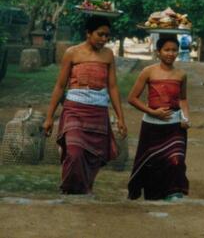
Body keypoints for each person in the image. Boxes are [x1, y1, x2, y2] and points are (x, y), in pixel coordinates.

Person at [43, 15, 128, 195]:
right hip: (74, 109)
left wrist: (121, 118)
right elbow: (60, 85)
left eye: (107, 36)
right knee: (74, 152)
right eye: (100, 34)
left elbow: (112, 86)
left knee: (94, 155)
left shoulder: (108, 55)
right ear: (88, 33)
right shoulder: (72, 53)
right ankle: (69, 188)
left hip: (98, 112)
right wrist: (49, 117)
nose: (104, 39)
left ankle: (83, 189)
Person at [127, 35, 190, 201]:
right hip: (152, 126)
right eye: (166, 50)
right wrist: (152, 112)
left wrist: (186, 117)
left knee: (176, 159)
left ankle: (174, 192)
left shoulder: (181, 75)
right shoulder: (148, 72)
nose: (170, 53)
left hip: (175, 125)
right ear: (158, 52)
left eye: (174, 50)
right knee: (152, 162)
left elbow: (182, 99)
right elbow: (132, 98)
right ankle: (154, 195)